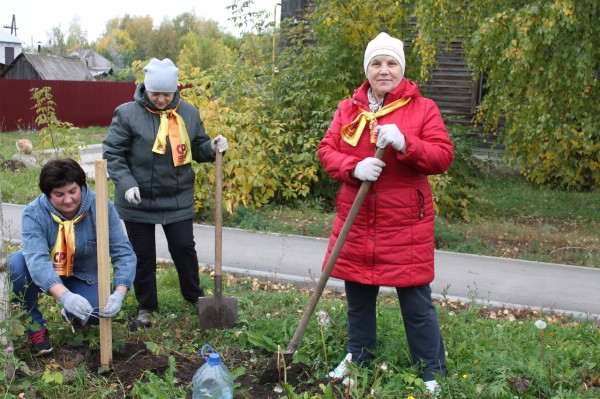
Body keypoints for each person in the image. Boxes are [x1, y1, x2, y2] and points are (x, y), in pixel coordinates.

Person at [318, 32, 454, 395]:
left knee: (416, 303)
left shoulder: (423, 109)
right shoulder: (349, 110)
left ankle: (431, 371)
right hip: (358, 220)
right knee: (359, 297)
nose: (384, 70)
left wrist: (406, 143)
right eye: (376, 63)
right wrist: (353, 167)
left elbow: (442, 156)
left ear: (402, 69)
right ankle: (357, 356)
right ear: (367, 69)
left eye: (391, 63)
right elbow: (327, 151)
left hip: (405, 224)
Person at [103, 58, 229, 331]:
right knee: (142, 253)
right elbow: (113, 154)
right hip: (138, 200)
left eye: (167, 94)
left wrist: (213, 146)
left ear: (176, 90)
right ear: (145, 88)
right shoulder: (126, 114)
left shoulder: (189, 113)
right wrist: (127, 183)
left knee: (184, 247)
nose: (161, 99)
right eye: (155, 93)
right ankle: (146, 306)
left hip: (177, 197)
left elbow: (197, 148)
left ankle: (194, 296)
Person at [9, 158, 137, 356]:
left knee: (97, 310)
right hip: (46, 273)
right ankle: (35, 327)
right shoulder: (33, 213)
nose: (68, 200)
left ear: (81, 186)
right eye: (59, 194)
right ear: (48, 194)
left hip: (82, 274)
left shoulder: (101, 207)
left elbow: (123, 252)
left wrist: (119, 292)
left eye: (72, 191)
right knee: (16, 265)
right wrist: (65, 296)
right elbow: (37, 260)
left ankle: (75, 315)